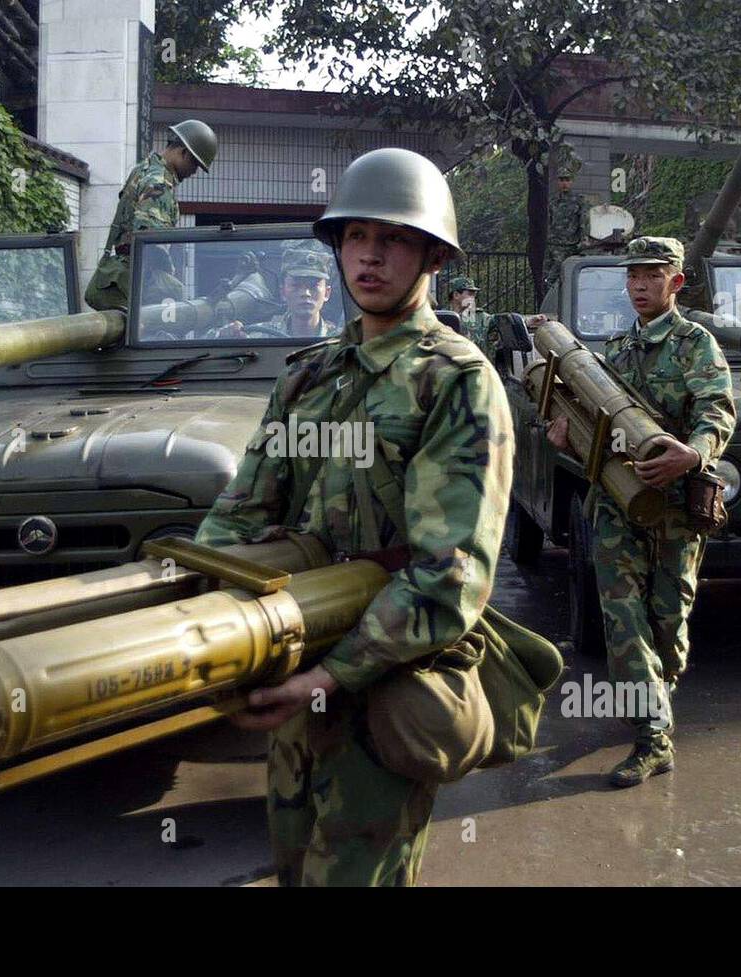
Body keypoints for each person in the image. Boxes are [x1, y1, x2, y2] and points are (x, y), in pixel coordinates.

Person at [194, 147, 512, 885]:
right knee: (291, 866)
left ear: (432, 254)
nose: (368, 256)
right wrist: (195, 611)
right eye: (355, 236)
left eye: (393, 238)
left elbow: (448, 574)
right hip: (296, 676)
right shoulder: (308, 376)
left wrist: (333, 675)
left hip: (383, 687)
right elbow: (239, 514)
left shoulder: (456, 383)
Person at [547, 236, 735, 787]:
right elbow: (588, 424)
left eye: (651, 276)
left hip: (678, 508)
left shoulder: (695, 345)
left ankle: (655, 696)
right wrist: (563, 438)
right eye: (632, 277)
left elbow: (718, 412)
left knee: (668, 621)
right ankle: (653, 738)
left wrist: (692, 453)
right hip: (615, 503)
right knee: (623, 620)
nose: (639, 286)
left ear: (676, 282)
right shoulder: (613, 353)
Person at [84, 120, 218, 312]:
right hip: (139, 280)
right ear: (183, 153)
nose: (194, 171)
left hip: (122, 274)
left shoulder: (143, 169)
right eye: (195, 163)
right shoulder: (159, 183)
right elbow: (151, 242)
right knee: (176, 296)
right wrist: (167, 279)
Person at [217, 243, 340, 339]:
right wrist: (226, 335)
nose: (305, 293)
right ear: (283, 292)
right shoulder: (260, 336)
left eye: (313, 286)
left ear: (327, 293)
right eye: (296, 286)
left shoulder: (340, 341)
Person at [545, 168, 586, 290]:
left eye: (567, 180)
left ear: (571, 182)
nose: (564, 183)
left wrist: (582, 242)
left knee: (557, 276)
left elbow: (583, 222)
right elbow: (549, 221)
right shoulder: (553, 201)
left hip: (569, 245)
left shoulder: (578, 200)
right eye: (562, 180)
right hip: (553, 244)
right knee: (547, 277)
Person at [446, 274, 489, 349]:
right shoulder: (442, 317)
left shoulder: (482, 318)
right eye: (470, 294)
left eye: (474, 294)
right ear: (456, 295)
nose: (473, 297)